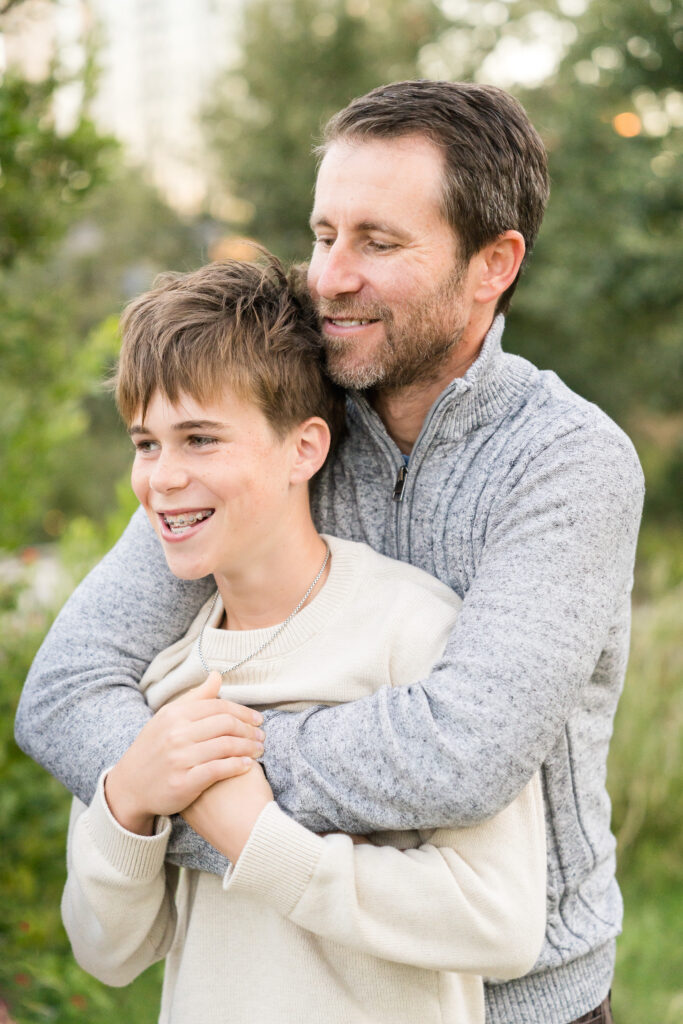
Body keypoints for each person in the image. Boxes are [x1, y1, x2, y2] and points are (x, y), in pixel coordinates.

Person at [15, 81, 644, 1024]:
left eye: (378, 243)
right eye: (323, 235)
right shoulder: (266, 432)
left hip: (524, 1001)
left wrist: (191, 782)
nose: (329, 277)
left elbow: (459, 754)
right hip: (295, 984)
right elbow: (66, 694)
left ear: (492, 265)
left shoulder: (566, 462)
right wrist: (153, 784)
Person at [60, 254, 545, 1024]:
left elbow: (502, 922)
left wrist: (265, 845)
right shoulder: (162, 680)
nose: (160, 478)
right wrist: (126, 802)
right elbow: (110, 954)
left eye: (200, 439)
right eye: (145, 444)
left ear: (304, 449)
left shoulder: (409, 631)